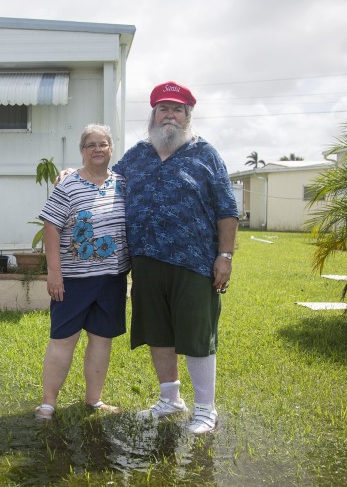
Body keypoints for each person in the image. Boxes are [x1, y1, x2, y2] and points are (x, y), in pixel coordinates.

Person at [57, 81, 238, 434]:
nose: (169, 115)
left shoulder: (206, 154)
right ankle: (170, 399)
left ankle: (205, 409)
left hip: (194, 262)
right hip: (144, 262)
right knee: (159, 333)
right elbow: (104, 178)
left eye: (177, 109)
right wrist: (71, 173)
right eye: (163, 109)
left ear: (188, 116)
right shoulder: (137, 155)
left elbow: (227, 210)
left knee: (197, 334)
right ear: (153, 115)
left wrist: (225, 256)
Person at [34, 124, 130, 421]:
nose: (98, 149)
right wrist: (54, 273)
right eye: (91, 145)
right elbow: (51, 226)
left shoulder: (123, 184)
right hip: (73, 280)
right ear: (82, 151)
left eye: (103, 144)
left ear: (111, 149)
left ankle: (94, 400)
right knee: (63, 339)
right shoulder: (69, 184)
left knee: (101, 339)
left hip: (112, 279)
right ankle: (48, 402)